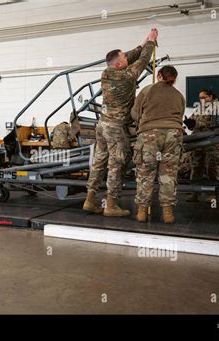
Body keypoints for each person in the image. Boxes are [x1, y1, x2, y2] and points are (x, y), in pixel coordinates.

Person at [83, 28, 158, 217]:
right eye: (124, 58)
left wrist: (143, 42)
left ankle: (90, 200)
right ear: (119, 65)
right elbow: (142, 60)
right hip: (116, 129)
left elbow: (131, 57)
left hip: (102, 126)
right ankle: (111, 205)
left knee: (99, 163)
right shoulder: (127, 76)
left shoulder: (106, 73)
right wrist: (151, 42)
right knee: (116, 165)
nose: (127, 58)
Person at [131, 65, 185, 224]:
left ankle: (142, 212)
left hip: (150, 135)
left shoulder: (147, 90)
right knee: (168, 174)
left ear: (159, 75)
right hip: (174, 135)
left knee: (145, 172)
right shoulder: (179, 96)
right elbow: (180, 117)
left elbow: (134, 113)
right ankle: (168, 213)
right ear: (174, 78)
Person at [185, 89, 219, 202]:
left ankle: (214, 194)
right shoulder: (199, 108)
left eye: (204, 97)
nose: (201, 100)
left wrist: (197, 124)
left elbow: (216, 126)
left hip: (213, 144)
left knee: (213, 168)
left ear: (210, 97)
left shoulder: (217, 108)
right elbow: (193, 121)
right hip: (198, 142)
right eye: (200, 98)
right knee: (196, 167)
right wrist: (190, 124)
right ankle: (194, 192)